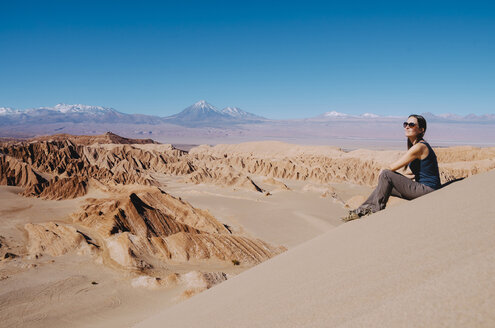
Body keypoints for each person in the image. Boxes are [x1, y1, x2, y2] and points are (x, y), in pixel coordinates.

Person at [342, 114, 441, 222]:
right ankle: (361, 211)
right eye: (405, 124)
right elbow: (412, 174)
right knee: (385, 186)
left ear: (421, 130)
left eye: (411, 124)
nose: (407, 127)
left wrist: (383, 173)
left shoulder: (420, 147)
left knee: (386, 174)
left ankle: (374, 212)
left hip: (428, 190)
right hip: (424, 189)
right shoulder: (415, 145)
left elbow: (392, 168)